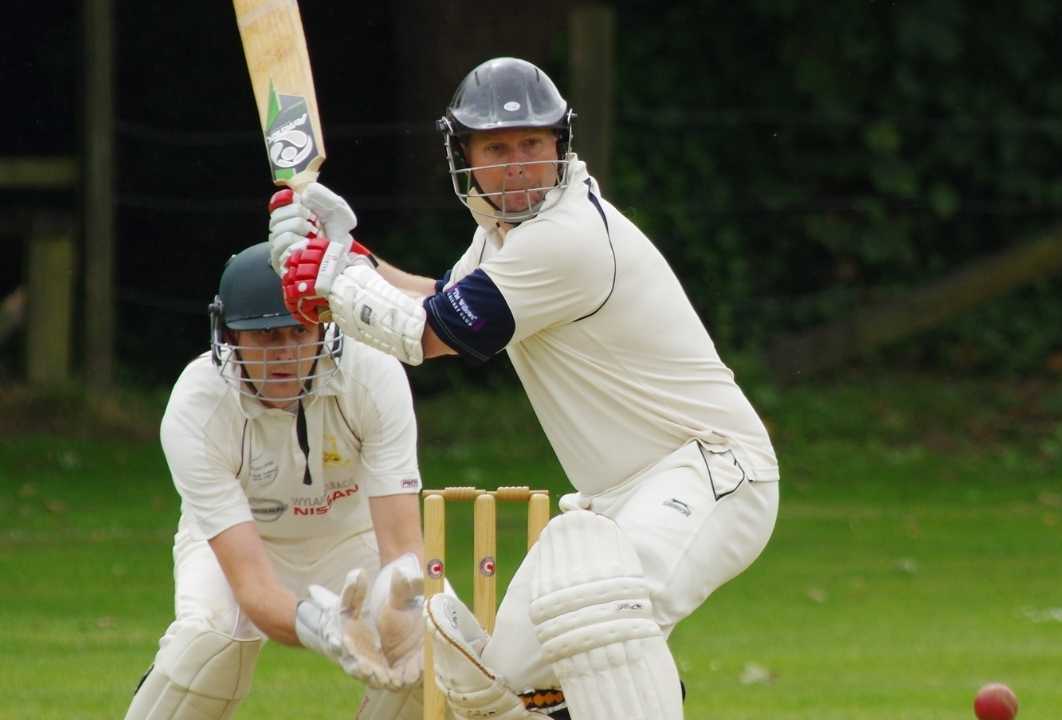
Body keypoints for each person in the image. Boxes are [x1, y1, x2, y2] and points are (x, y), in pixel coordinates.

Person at [268, 56, 780, 720]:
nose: (516, 163)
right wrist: (350, 258)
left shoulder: (567, 239)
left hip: (707, 471)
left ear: (559, 148)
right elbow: (439, 300)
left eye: (532, 145)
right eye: (498, 148)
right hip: (616, 498)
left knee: (600, 616)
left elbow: (426, 335)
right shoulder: (502, 240)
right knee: (510, 685)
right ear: (466, 156)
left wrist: (330, 277)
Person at [124, 242, 434, 720]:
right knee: (209, 644)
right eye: (266, 336)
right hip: (242, 542)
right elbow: (252, 588)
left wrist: (402, 611)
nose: (286, 353)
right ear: (227, 335)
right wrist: (323, 627)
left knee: (434, 646)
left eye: (298, 330)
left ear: (324, 325)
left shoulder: (370, 373)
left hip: (351, 540)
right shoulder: (197, 407)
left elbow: (402, 547)